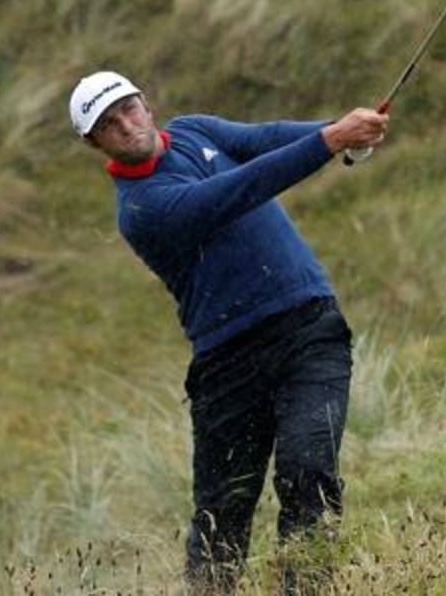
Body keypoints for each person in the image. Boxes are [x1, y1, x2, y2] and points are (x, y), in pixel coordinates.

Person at [67, 71, 388, 591]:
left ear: (146, 104)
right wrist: (332, 141)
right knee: (223, 515)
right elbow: (238, 189)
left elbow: (265, 139)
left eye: (129, 109)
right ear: (93, 142)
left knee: (308, 472)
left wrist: (344, 130)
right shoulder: (142, 208)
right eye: (108, 124)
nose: (126, 125)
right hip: (227, 366)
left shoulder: (195, 130)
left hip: (310, 331)